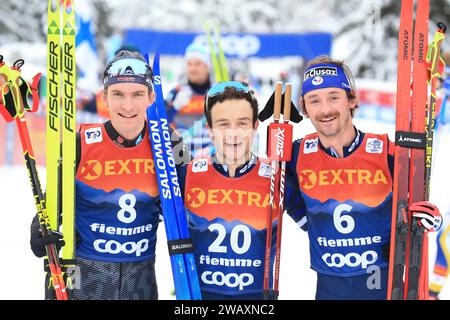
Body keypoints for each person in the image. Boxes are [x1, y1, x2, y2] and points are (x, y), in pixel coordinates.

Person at [30, 50, 187, 300]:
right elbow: (51, 205)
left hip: (141, 281)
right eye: (118, 94)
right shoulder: (79, 144)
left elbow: (188, 206)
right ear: (104, 97)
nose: (127, 105)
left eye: (137, 94)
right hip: (83, 275)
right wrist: (40, 230)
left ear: (151, 97)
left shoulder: (170, 144)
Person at [287, 55, 443, 300]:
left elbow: (417, 205)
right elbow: (279, 192)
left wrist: (431, 219)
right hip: (328, 286)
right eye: (314, 100)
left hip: (380, 279)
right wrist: (309, 223)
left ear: (352, 100)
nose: (325, 109)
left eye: (334, 97)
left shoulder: (386, 152)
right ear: (305, 108)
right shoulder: (296, 155)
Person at [179, 81, 304, 299]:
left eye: (242, 123)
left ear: (256, 127)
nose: (233, 133)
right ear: (209, 130)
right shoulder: (188, 176)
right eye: (223, 124)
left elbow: (322, 226)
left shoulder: (277, 178)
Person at [165, 42, 213, 158]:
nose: (192, 68)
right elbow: (161, 123)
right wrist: (174, 107)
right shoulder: (177, 92)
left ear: (207, 66)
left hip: (213, 158)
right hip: (183, 158)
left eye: (197, 64)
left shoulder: (218, 92)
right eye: (189, 64)